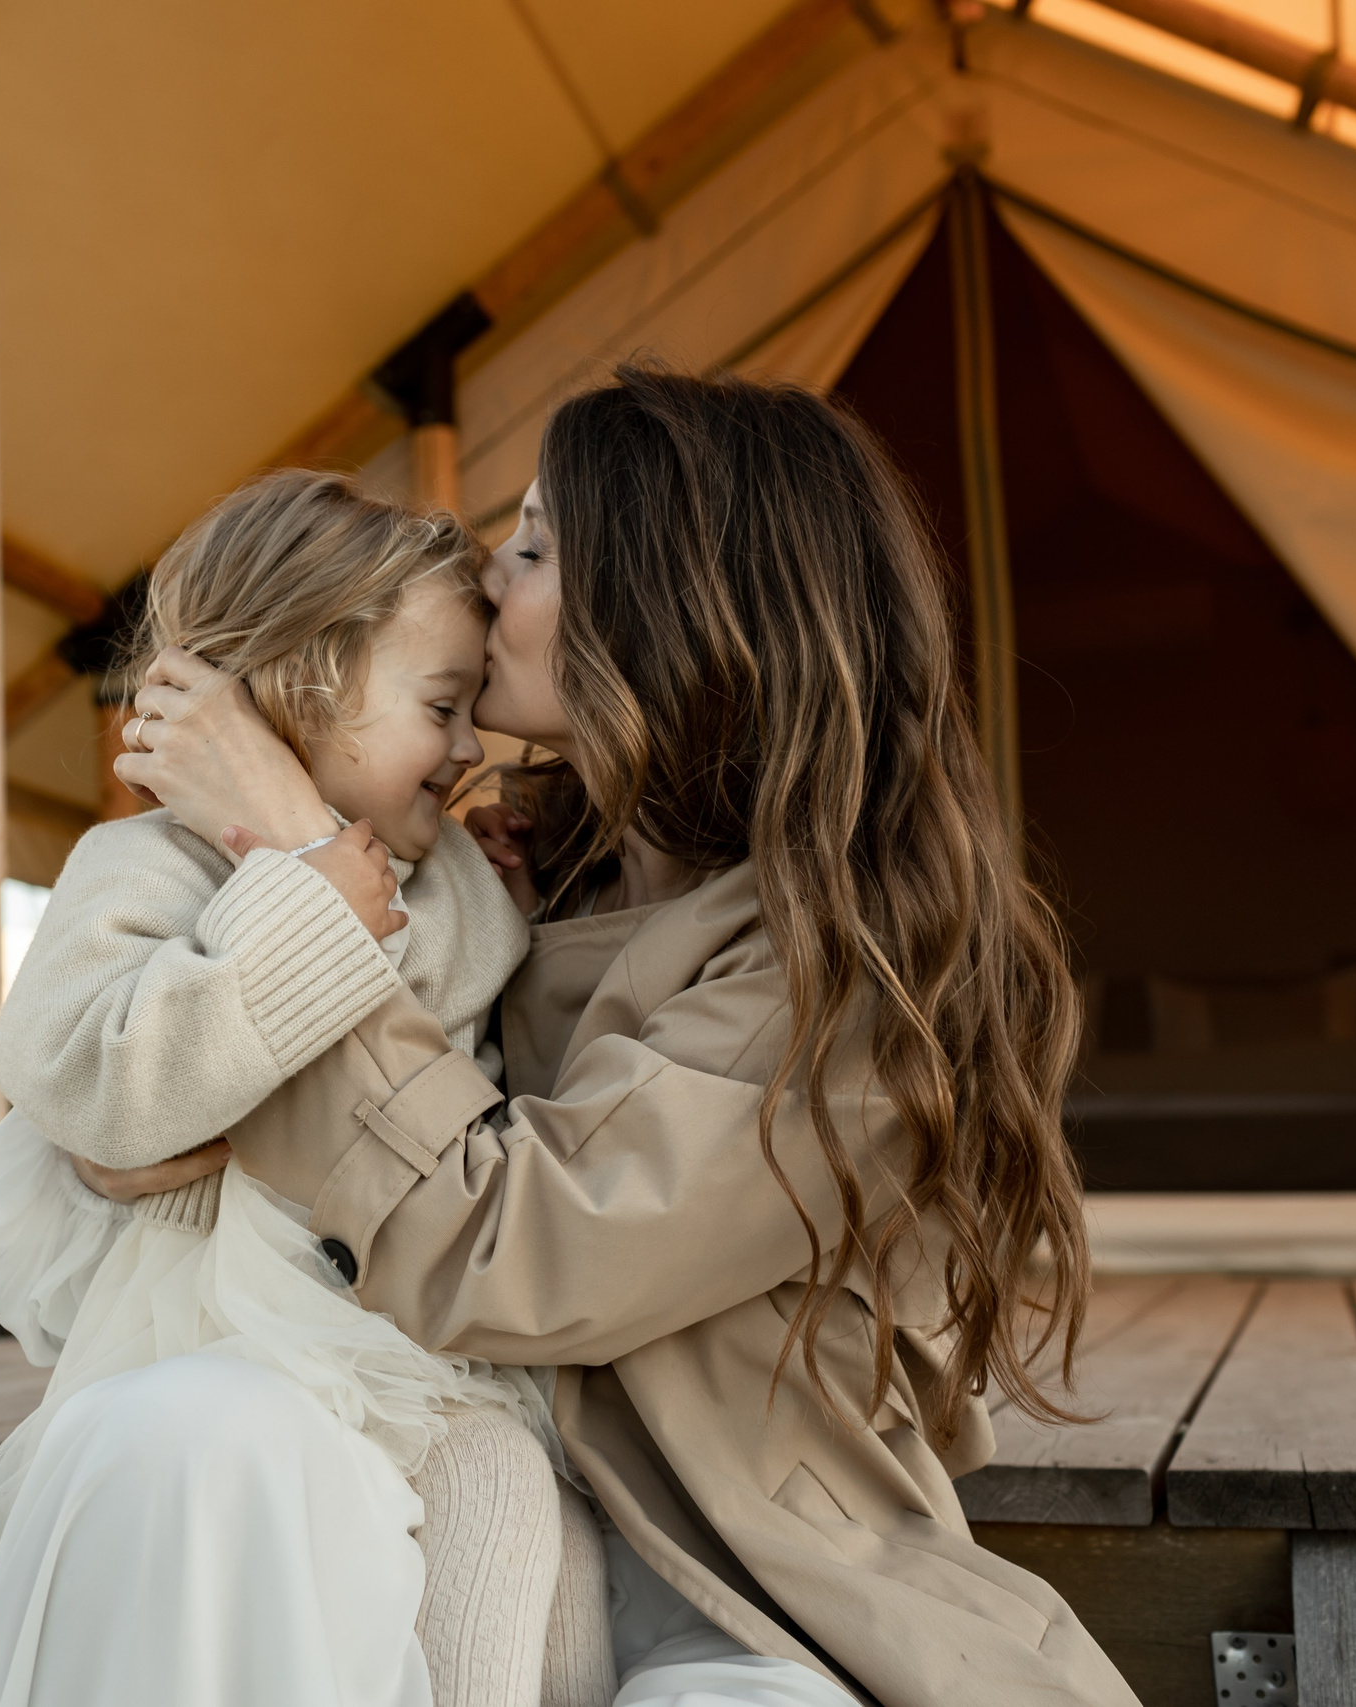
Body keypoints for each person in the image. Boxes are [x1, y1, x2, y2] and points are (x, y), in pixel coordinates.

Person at [86, 367, 1139, 1707]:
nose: (488, 569)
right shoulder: (522, 876)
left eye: (533, 545)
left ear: (669, 604)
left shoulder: (844, 977)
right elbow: (136, 1131)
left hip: (751, 1600)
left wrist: (291, 853)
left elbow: (511, 1242)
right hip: (469, 1496)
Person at [0, 468, 611, 1707]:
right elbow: (91, 1085)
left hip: (414, 1334)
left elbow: (449, 1019)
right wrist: (306, 901)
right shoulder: (138, 868)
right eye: (441, 705)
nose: (472, 748)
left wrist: (449, 885)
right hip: (226, 1327)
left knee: (531, 1522)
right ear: (306, 689)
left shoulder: (447, 880)